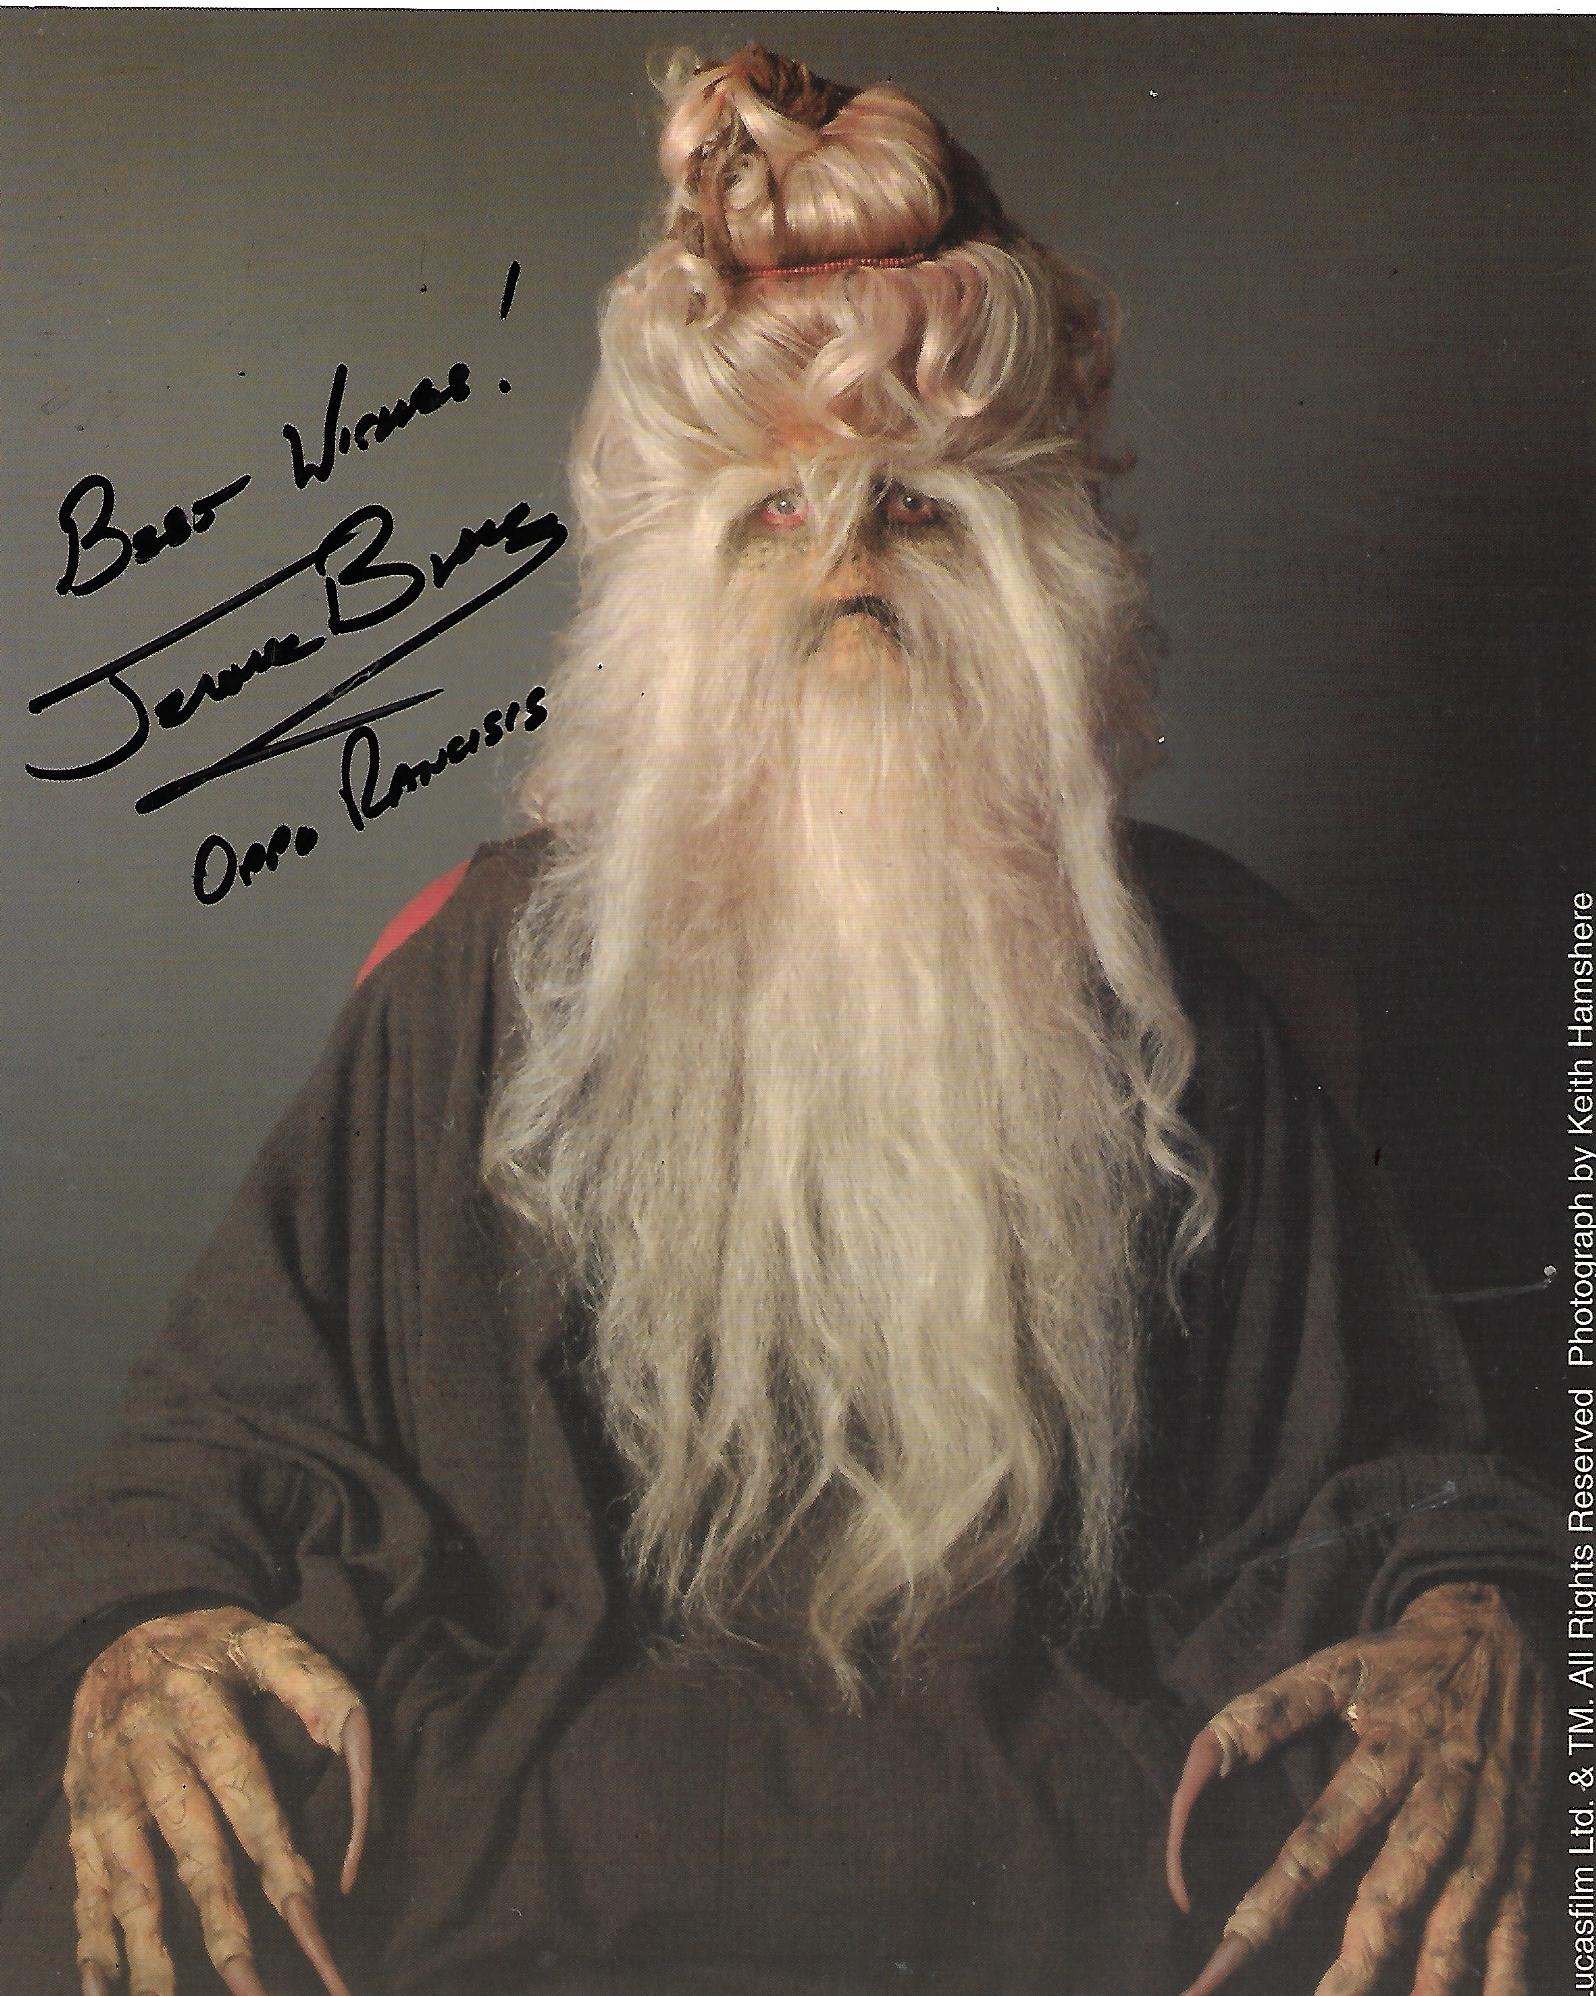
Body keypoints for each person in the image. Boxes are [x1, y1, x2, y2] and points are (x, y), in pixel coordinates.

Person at [0, 47, 1559, 1996]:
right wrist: (149, 1624)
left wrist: (1469, 1613)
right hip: (526, 1787)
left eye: (910, 509)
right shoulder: (488, 973)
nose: (841, 565)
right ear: (666, 601)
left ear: (1044, 585)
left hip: (1079, 1810)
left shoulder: (1187, 1012)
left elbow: (1380, 1466)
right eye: (772, 519)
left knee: (1442, 1870)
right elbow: (233, 1421)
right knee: (133, 1876)